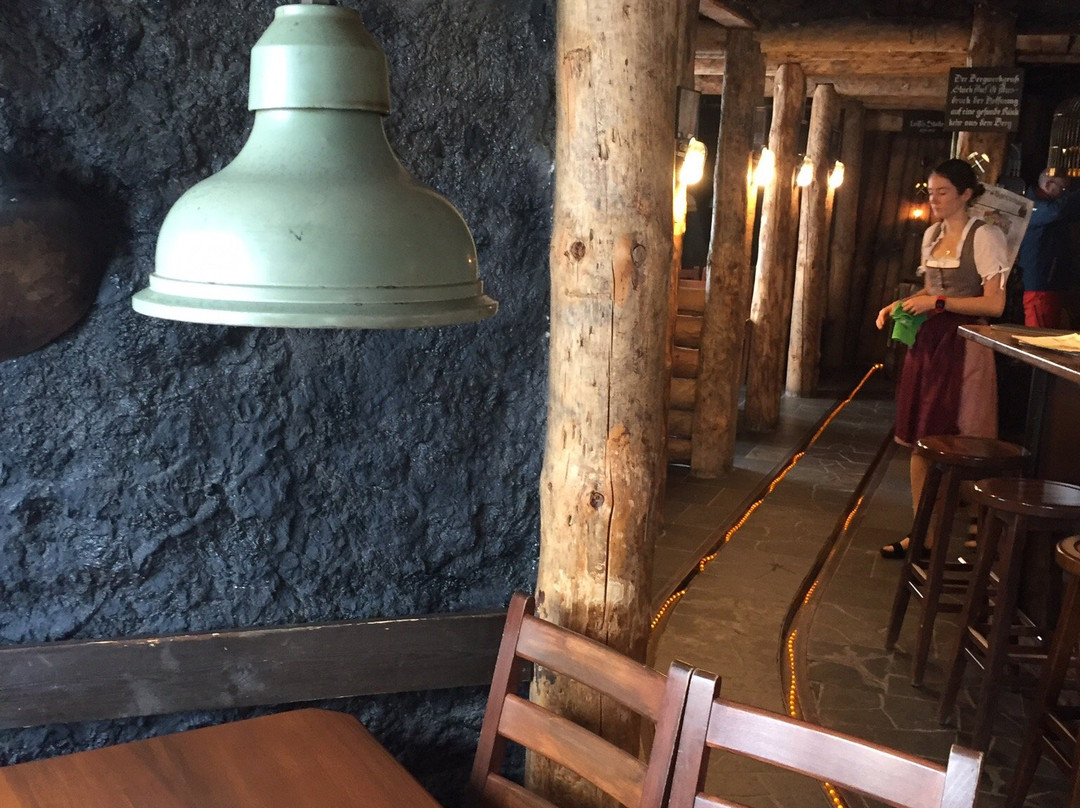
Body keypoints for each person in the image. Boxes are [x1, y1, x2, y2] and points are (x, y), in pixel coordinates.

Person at [875, 158, 1011, 559]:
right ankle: (924, 533)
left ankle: (980, 528)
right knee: (920, 439)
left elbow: (995, 304)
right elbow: (929, 289)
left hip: (965, 344)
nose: (934, 199)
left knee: (965, 437)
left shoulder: (985, 236)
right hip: (930, 345)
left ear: (965, 194)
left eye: (943, 192)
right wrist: (899, 304)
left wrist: (938, 302)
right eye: (930, 192)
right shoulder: (932, 234)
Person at [1015, 169, 1080, 329]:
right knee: (1038, 335)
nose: (1065, 193)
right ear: (1049, 185)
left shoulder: (1048, 207)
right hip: (1040, 285)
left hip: (1051, 283)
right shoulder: (1031, 206)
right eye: (1063, 189)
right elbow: (1057, 210)